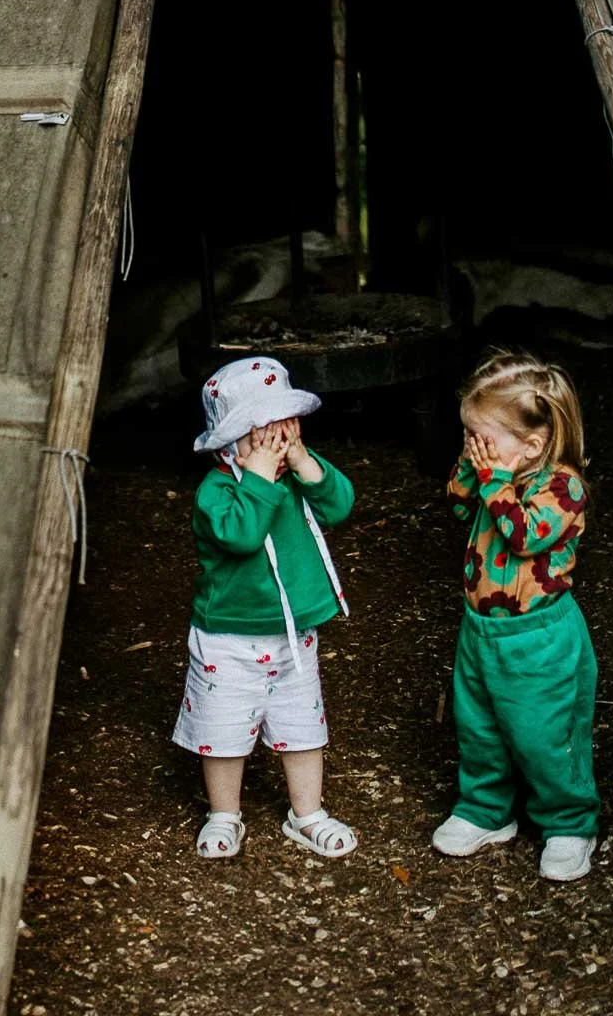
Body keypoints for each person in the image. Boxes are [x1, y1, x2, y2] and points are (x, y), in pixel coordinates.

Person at [173, 354, 358, 860]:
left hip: (292, 632)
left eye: (288, 427)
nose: (280, 440)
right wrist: (258, 479)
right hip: (228, 639)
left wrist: (302, 462)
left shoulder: (295, 473)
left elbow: (340, 505)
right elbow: (242, 535)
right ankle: (224, 813)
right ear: (232, 444)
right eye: (266, 431)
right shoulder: (218, 492)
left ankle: (307, 814)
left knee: (303, 726)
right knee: (223, 731)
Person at [432, 349, 600, 880]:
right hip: (480, 632)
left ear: (532, 444)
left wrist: (495, 482)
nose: (476, 448)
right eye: (469, 435)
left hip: (539, 639)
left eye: (484, 437)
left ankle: (570, 822)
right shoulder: (491, 475)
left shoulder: (562, 487)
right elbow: (458, 505)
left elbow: (524, 537)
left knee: (543, 734)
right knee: (479, 726)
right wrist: (472, 467)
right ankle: (486, 811)